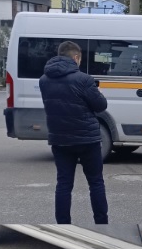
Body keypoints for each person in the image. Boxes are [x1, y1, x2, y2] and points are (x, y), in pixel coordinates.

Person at [39, 41, 110, 224]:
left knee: (63, 184)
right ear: (76, 57)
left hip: (60, 140)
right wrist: (98, 92)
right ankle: (101, 223)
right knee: (95, 183)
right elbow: (100, 106)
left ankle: (63, 224)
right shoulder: (84, 79)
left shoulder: (44, 80)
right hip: (87, 139)